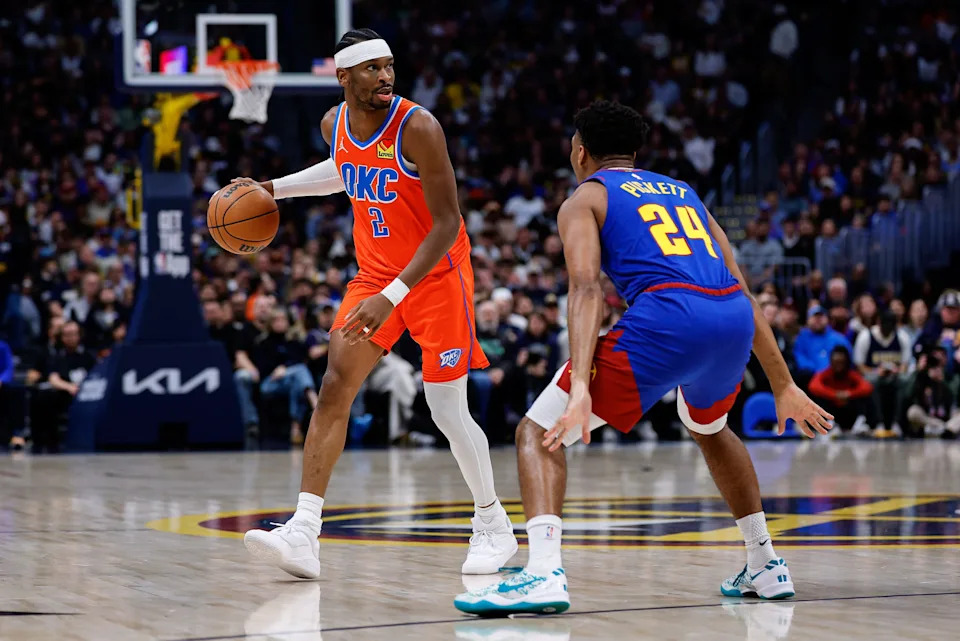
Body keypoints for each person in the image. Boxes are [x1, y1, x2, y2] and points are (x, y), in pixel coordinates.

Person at [454, 101, 831, 615]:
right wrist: (783, 384)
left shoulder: (586, 197)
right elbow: (742, 288)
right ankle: (764, 562)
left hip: (669, 316)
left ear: (580, 152)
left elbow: (586, 289)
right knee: (710, 428)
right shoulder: (684, 192)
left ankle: (542, 573)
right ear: (634, 153)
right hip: (730, 318)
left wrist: (580, 386)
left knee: (537, 432)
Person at [240, 29, 517, 579]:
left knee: (445, 408)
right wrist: (273, 188)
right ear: (344, 76)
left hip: (437, 276)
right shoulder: (334, 124)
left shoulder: (419, 127)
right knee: (334, 386)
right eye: (372, 68)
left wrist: (392, 297)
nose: (385, 76)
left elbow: (447, 224)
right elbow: (341, 170)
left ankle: (493, 523)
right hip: (375, 275)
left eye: (389, 66)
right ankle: (304, 531)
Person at [853, 310, 910, 436]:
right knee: (871, 381)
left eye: (891, 327)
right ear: (879, 323)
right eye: (885, 326)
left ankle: (897, 423)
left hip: (894, 375)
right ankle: (878, 422)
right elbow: (860, 366)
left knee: (905, 380)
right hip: (873, 374)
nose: (887, 329)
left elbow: (905, 366)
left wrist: (896, 370)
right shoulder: (866, 336)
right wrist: (876, 371)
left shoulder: (902, 337)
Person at [808, 345, 874, 435]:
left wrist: (849, 394)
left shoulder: (852, 375)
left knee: (865, 397)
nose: (838, 366)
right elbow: (813, 386)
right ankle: (828, 424)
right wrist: (834, 394)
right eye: (836, 363)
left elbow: (867, 387)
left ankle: (861, 424)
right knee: (816, 397)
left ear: (846, 362)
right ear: (831, 362)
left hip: (849, 411)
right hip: (831, 411)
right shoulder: (825, 374)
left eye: (841, 363)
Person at [792, 305, 851, 388]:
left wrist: (827, 372)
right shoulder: (802, 338)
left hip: (834, 378)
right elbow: (799, 357)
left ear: (827, 319)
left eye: (821, 317)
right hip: (809, 379)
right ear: (808, 320)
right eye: (815, 317)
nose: (818, 320)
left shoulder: (838, 338)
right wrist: (815, 371)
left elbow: (847, 359)